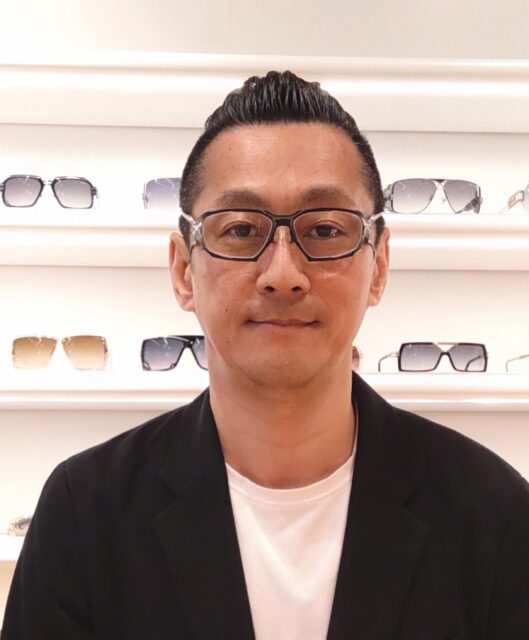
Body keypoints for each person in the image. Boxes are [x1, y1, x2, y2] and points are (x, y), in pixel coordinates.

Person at [2, 71, 528, 640]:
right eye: (240, 230)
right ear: (183, 270)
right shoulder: (85, 515)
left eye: (324, 229)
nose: (283, 273)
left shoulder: (493, 515)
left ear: (378, 266)